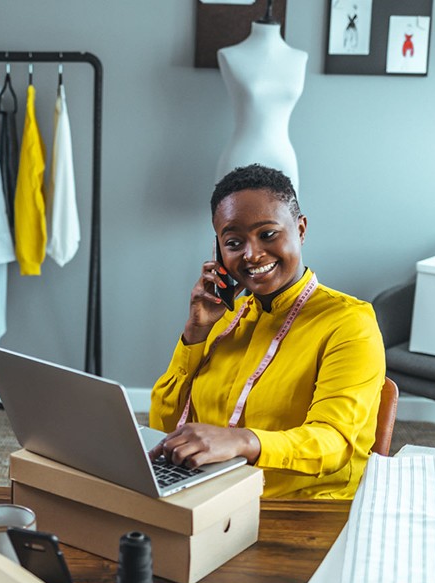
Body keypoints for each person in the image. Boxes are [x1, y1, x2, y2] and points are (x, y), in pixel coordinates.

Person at [149, 164, 385, 500]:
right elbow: (164, 426)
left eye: (268, 234)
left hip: (301, 511)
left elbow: (333, 442)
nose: (252, 254)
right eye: (233, 241)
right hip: (213, 494)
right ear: (218, 250)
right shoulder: (222, 318)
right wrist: (196, 332)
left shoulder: (349, 322)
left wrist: (243, 441)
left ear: (300, 229)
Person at [215, 14, 307, 195]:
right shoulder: (230, 55)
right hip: (241, 154)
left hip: (283, 156)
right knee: (232, 219)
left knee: (285, 220)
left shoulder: (299, 58)